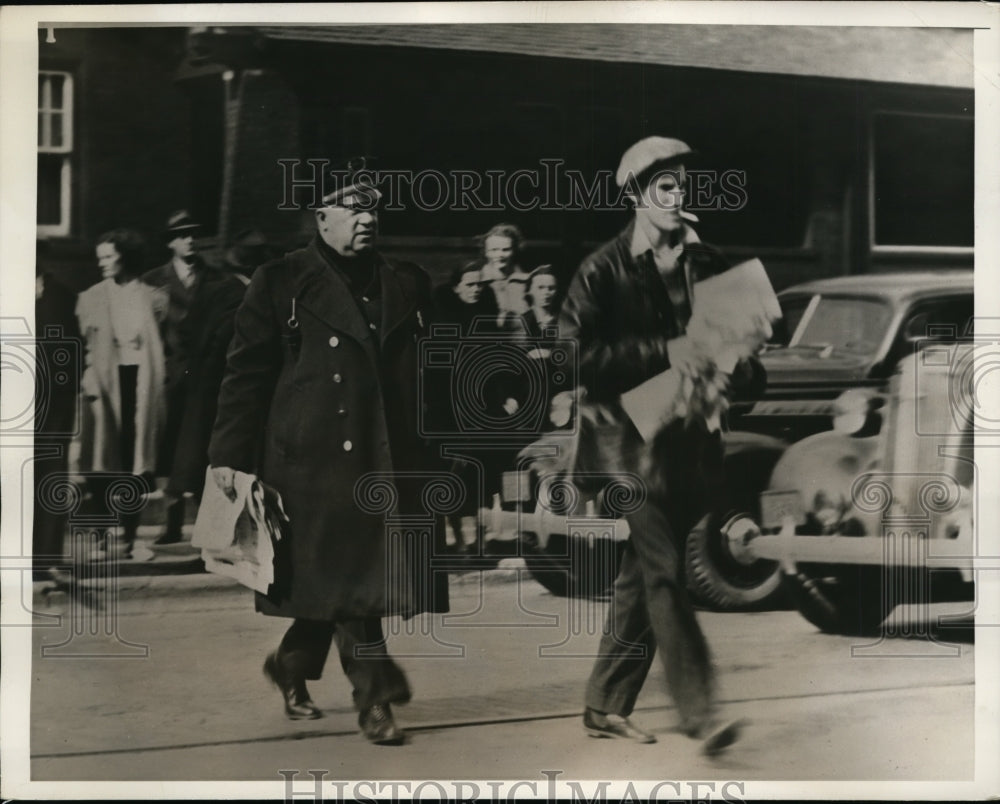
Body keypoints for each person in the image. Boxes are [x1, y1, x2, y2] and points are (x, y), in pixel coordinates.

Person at [207, 161, 448, 745]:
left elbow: (427, 376)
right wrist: (227, 456)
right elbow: (247, 376)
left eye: (373, 209)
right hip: (309, 463)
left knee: (342, 582)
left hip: (383, 455)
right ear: (322, 218)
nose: (367, 219)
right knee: (351, 585)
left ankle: (291, 665)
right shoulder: (281, 280)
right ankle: (377, 696)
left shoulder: (406, 280)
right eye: (352, 208)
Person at [559, 137, 764, 754]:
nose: (678, 197)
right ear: (635, 196)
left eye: (682, 185)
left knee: (639, 581)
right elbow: (574, 355)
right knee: (666, 575)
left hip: (686, 445)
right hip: (626, 447)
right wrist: (664, 352)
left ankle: (605, 705)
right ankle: (703, 715)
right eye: (664, 187)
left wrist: (739, 368)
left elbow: (752, 360)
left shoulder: (710, 261)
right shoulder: (603, 268)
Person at [142, 210, 243, 543]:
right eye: (183, 234)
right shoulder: (153, 281)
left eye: (194, 233)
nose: (190, 240)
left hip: (203, 381)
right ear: (170, 241)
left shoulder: (218, 280)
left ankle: (205, 528)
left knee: (199, 452)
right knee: (167, 452)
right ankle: (170, 526)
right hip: (167, 381)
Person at [73, 229, 167, 559]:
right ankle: (100, 537)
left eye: (109, 257)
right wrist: (88, 381)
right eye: (100, 258)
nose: (103, 264)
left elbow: (159, 343)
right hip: (101, 386)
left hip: (138, 384)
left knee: (134, 464)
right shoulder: (90, 297)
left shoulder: (153, 297)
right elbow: (84, 346)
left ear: (125, 256)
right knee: (100, 465)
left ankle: (129, 540)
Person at [33, 242, 81, 577]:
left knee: (49, 478)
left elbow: (73, 349)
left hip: (53, 406)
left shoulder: (62, 295)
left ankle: (45, 559)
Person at [479, 223, 531, 325]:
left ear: (514, 250)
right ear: (486, 252)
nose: (500, 255)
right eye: (494, 250)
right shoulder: (477, 282)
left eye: (506, 250)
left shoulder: (528, 281)